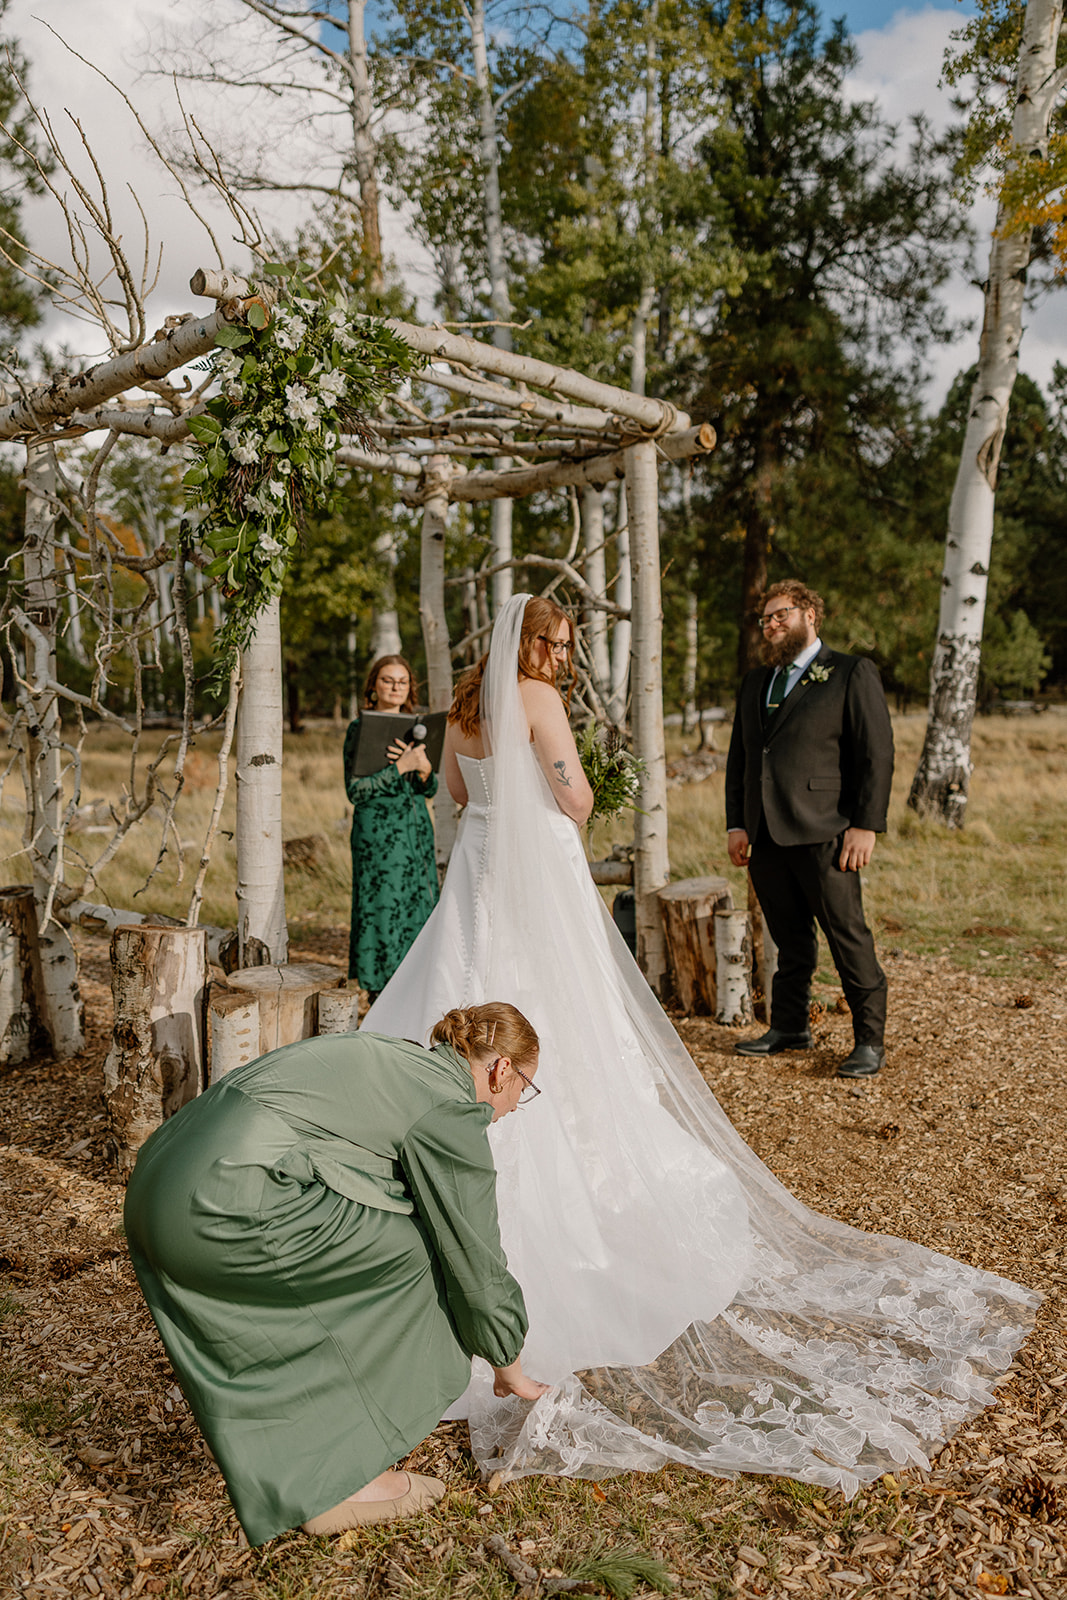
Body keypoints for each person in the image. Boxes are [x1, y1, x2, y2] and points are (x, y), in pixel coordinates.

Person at [363, 592, 1037, 1496]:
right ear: (532, 642)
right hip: (541, 884)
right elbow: (573, 797)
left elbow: (453, 793)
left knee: (459, 1010)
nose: (563, 657)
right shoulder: (535, 700)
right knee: (575, 1024)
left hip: (477, 876)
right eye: (556, 643)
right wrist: (578, 784)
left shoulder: (464, 706)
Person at [124, 1004, 546, 1546]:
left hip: (157, 1181)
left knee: (368, 1256)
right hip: (220, 1203)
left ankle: (309, 1458)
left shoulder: (401, 1058)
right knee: (418, 1255)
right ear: (501, 1070)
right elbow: (474, 1253)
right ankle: (344, 1483)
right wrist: (507, 1361)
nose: (514, 1108)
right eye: (525, 1089)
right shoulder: (450, 1110)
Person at [725, 581, 894, 1078]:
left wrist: (866, 824)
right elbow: (742, 758)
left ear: (810, 615)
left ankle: (869, 1041)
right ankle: (790, 1027)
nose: (772, 625)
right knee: (789, 939)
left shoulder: (849, 672)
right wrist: (737, 823)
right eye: (766, 619)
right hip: (766, 835)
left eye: (782, 615)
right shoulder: (756, 682)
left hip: (829, 832)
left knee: (847, 936)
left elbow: (875, 753)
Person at [343, 654, 439, 1000]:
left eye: (402, 681)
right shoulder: (359, 730)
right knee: (382, 911)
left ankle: (418, 990)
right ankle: (381, 995)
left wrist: (425, 771)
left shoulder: (419, 729)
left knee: (419, 909)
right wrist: (399, 768)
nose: (396, 687)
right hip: (379, 841)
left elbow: (429, 790)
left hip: (416, 836)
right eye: (388, 680)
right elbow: (356, 791)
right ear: (373, 686)